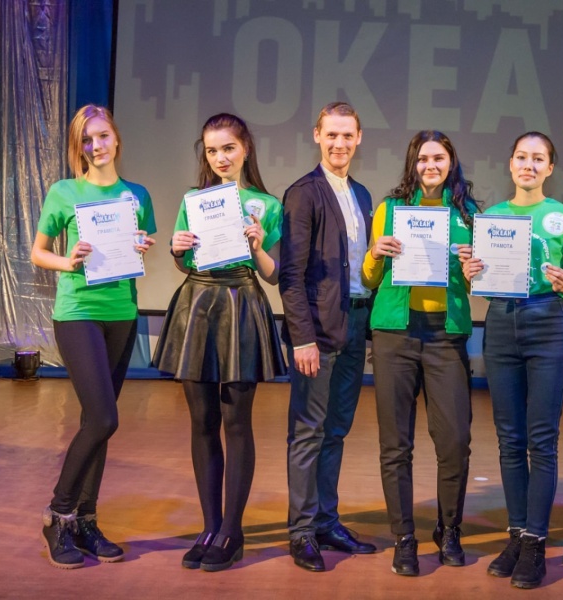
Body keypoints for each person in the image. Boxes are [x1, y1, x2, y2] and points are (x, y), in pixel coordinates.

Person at [152, 113, 286, 572]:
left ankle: (232, 530)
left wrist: (258, 247)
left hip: (242, 303)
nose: (221, 157)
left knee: (236, 422)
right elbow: (185, 260)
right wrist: (176, 248)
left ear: (245, 149)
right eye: (212, 150)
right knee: (202, 422)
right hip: (198, 303)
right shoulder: (194, 199)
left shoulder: (267, 204)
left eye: (228, 148)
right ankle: (210, 527)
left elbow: (274, 274)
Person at [31, 104, 156, 569]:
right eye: (86, 139)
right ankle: (58, 514)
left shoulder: (137, 195)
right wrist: (69, 261)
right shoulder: (64, 192)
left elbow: (140, 249)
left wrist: (141, 246)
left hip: (121, 313)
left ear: (116, 139)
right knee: (104, 418)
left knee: (95, 421)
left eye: (102, 136)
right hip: (78, 312)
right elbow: (39, 252)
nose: (95, 145)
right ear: (78, 147)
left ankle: (86, 520)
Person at [461, 132, 563, 588]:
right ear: (510, 163)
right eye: (521, 157)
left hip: (547, 322)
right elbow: (478, 281)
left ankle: (535, 542)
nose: (528, 165)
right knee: (509, 439)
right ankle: (516, 534)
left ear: (550, 168)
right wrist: (470, 273)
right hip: (500, 322)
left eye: (538, 159)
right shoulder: (491, 217)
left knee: (542, 439)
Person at [362, 130, 478, 577]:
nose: (431, 165)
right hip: (395, 334)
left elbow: (477, 283)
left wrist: (473, 269)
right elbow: (370, 278)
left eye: (439, 158)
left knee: (455, 442)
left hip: (446, 336)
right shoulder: (389, 209)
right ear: (412, 163)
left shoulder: (468, 214)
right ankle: (404, 537)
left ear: (451, 163)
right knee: (396, 444)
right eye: (423, 158)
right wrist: (375, 253)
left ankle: (449, 529)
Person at [279, 101, 377, 572]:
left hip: (356, 323)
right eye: (331, 134)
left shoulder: (362, 194)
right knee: (308, 431)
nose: (340, 143)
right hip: (317, 332)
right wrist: (302, 338)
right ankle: (301, 531)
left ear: (359, 139)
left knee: (336, 429)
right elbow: (291, 275)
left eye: (347, 135)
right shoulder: (303, 193)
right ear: (317, 135)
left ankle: (326, 521)